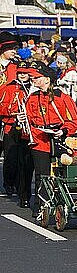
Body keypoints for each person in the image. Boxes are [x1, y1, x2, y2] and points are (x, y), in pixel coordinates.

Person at [24, 61, 77, 216]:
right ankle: (41, 205)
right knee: (41, 174)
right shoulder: (32, 97)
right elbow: (28, 119)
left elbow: (73, 121)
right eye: (33, 77)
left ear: (47, 79)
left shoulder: (62, 97)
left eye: (37, 77)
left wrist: (63, 131)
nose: (33, 80)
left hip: (58, 139)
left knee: (60, 175)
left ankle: (59, 203)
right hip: (39, 139)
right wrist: (22, 120)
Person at [0, 61, 34, 206]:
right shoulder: (8, 87)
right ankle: (9, 182)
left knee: (25, 162)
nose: (22, 75)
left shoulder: (34, 88)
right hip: (12, 126)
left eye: (25, 73)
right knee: (11, 158)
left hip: (29, 128)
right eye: (20, 73)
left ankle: (23, 193)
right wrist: (11, 111)